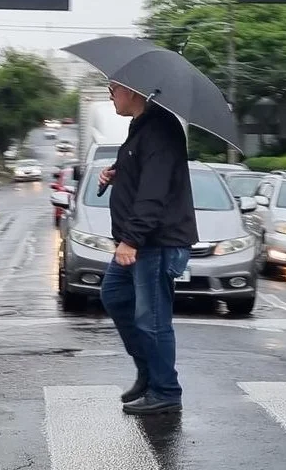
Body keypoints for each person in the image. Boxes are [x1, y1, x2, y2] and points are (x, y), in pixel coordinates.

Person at [98, 82, 198, 415]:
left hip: (154, 242)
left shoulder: (159, 129)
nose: (110, 94)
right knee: (114, 295)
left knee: (152, 319)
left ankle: (165, 391)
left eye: (113, 88)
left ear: (132, 91)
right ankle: (149, 373)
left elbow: (154, 192)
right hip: (141, 241)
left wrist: (131, 240)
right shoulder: (141, 126)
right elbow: (143, 175)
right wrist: (116, 175)